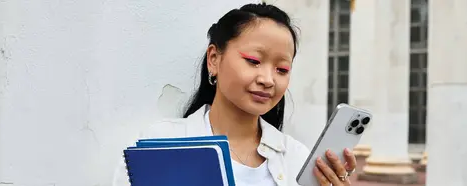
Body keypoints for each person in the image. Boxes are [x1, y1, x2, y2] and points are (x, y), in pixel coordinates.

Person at [112, 3, 357, 186]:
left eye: (282, 69)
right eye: (253, 61)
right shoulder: (159, 143)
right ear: (214, 59)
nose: (268, 79)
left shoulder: (297, 158)